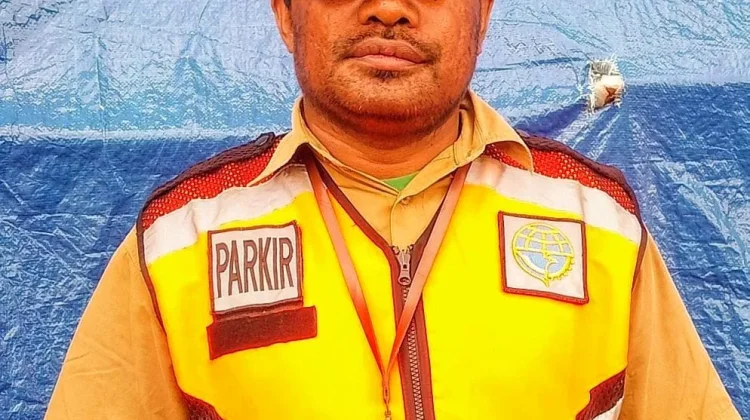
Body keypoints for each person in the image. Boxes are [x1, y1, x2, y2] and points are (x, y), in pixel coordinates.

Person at [45, 0, 741, 419]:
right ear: (285, 14)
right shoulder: (183, 236)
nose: (387, 9)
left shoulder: (596, 222)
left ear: (483, 15)